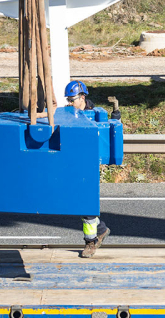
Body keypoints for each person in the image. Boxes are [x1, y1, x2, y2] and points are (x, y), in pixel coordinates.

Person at [47, 81, 112, 258]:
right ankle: (100, 229)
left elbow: (106, 136)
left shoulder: (93, 115)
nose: (69, 103)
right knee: (77, 201)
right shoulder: (69, 115)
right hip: (74, 163)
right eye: (67, 100)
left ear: (82, 97)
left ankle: (91, 241)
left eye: (72, 99)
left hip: (88, 164)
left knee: (85, 202)